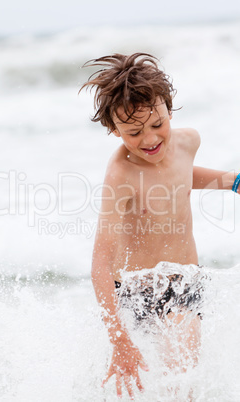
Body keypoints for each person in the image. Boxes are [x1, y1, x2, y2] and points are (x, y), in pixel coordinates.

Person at [80, 53, 240, 399]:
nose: (150, 140)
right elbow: (100, 264)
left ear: (168, 108)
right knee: (132, 389)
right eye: (133, 133)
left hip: (184, 284)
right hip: (134, 294)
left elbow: (179, 178)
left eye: (157, 124)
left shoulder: (187, 142)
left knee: (182, 383)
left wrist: (233, 181)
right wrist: (118, 337)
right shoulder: (120, 176)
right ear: (113, 129)